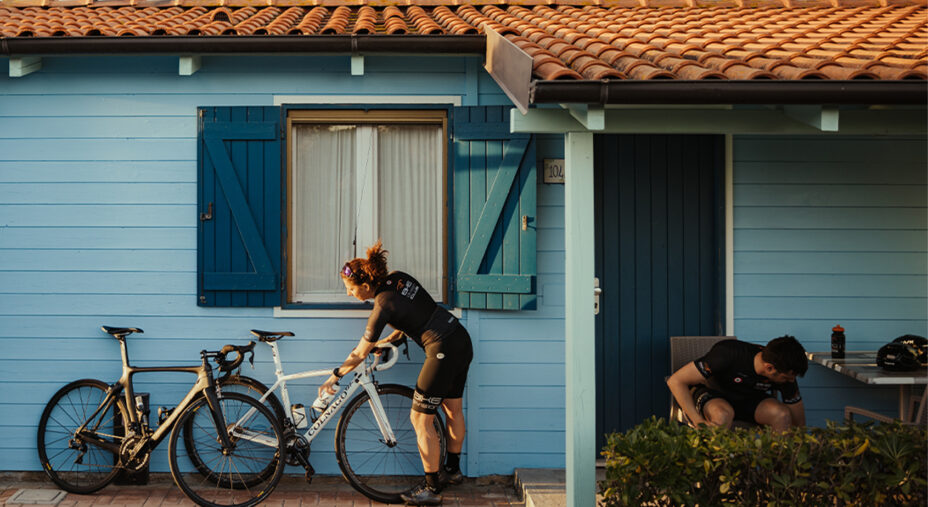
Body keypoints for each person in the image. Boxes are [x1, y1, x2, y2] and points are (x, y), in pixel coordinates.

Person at [319, 241, 472, 506]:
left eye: (350, 289)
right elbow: (416, 315)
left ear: (365, 286)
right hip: (459, 339)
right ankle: (453, 471)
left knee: (420, 419)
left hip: (441, 349)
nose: (349, 294)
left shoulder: (382, 305)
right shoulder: (398, 279)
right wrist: (391, 340)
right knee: (452, 411)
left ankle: (431, 490)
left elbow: (359, 354)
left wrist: (335, 375)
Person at [666, 335, 808, 431]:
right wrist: (697, 421)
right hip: (714, 394)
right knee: (722, 415)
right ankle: (715, 472)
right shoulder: (728, 353)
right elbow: (676, 381)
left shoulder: (786, 372)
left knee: (781, 415)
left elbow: (799, 424)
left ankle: (775, 472)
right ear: (769, 368)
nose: (790, 381)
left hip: (748, 400)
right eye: (786, 378)